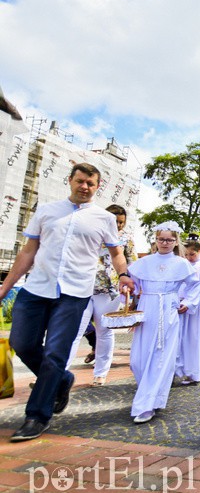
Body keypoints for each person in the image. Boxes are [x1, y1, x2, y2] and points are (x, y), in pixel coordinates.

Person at [0, 163, 134, 442]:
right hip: (37, 287)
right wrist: (5, 287)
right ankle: (62, 380)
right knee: (21, 343)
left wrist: (123, 275)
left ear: (97, 187)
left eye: (91, 183)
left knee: (55, 355)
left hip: (74, 293)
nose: (84, 187)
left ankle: (37, 415)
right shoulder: (47, 211)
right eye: (80, 181)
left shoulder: (104, 219)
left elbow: (117, 253)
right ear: (70, 180)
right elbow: (28, 251)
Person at [127, 222, 199, 424]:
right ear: (156, 240)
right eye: (161, 239)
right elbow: (134, 285)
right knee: (137, 361)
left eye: (169, 239)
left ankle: (146, 404)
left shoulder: (181, 263)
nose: (165, 243)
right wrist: (128, 290)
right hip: (146, 309)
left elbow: (194, 287)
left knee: (160, 358)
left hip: (167, 310)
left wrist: (187, 302)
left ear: (175, 241)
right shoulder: (144, 262)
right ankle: (152, 395)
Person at [69, 204, 137, 387]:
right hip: (83, 286)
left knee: (104, 331)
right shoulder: (92, 232)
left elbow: (132, 263)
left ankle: (100, 373)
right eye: (115, 221)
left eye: (122, 222)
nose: (119, 225)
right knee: (74, 330)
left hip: (110, 290)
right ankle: (58, 372)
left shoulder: (126, 238)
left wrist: (130, 285)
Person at [175, 235, 200, 385]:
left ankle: (194, 372)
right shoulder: (183, 263)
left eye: (192, 254)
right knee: (180, 336)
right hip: (183, 299)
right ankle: (179, 369)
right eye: (186, 254)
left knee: (195, 336)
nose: (189, 258)